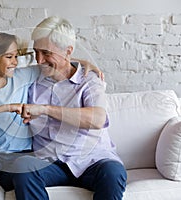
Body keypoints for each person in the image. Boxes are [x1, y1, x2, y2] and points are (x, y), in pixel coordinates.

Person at [0, 31, 102, 191]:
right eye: (9, 57)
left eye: (16, 56)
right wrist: (7, 107)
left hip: (24, 153)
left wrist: (84, 62)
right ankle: (3, 182)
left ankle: (6, 182)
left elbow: (55, 62)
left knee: (22, 170)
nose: (15, 62)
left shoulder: (23, 75)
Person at [10, 16, 127, 200]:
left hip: (93, 161)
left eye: (46, 53)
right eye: (36, 52)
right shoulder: (32, 78)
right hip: (50, 163)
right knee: (22, 166)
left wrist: (45, 109)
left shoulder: (89, 81)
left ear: (68, 51)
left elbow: (96, 119)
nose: (39, 60)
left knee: (113, 173)